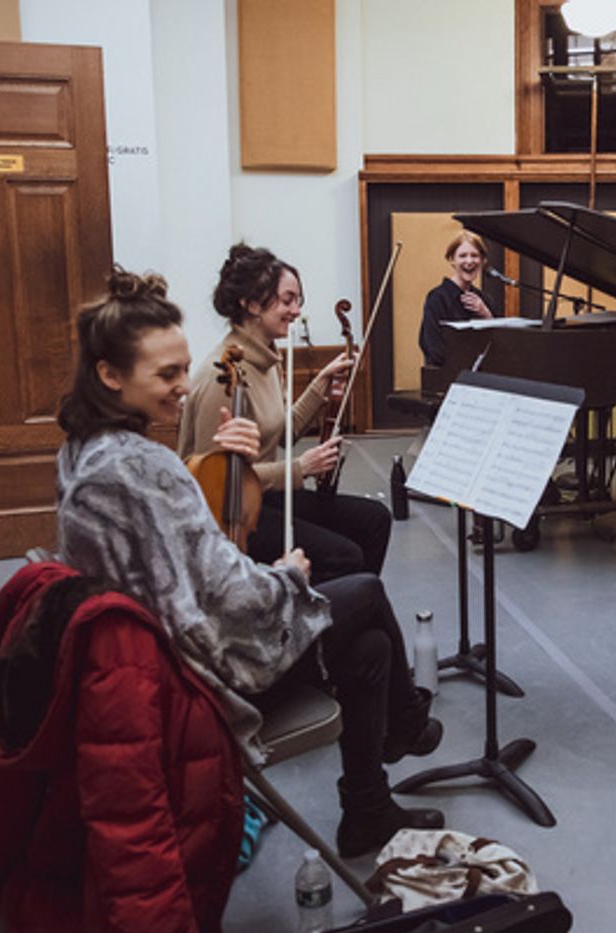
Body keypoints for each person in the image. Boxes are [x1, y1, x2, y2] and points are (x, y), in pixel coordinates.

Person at [55, 268, 443, 860]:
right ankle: (405, 728)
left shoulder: (84, 456)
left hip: (159, 657)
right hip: (196, 675)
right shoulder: (143, 471)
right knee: (361, 588)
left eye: (184, 368)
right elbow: (232, 598)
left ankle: (369, 806)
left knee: (370, 649)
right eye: (167, 374)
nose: (185, 386)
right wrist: (287, 574)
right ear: (109, 375)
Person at [0, 562, 243, 932]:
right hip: (83, 910)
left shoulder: (46, 591)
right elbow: (132, 831)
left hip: (45, 885)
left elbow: (1, 794)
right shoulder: (119, 648)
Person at [179, 243, 391, 584]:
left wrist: (321, 384)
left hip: (269, 493)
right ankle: (325, 621)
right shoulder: (225, 374)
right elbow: (215, 484)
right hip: (236, 512)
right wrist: (300, 468)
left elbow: (283, 432)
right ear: (250, 304)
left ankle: (353, 616)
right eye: (287, 300)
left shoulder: (266, 357)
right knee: (343, 556)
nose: (296, 310)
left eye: (298, 300)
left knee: (375, 519)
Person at [419, 231, 494, 367]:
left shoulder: (485, 300)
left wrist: (487, 316)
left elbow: (498, 346)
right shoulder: (437, 298)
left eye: (475, 255)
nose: (469, 261)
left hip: (481, 381)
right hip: (447, 379)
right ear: (451, 259)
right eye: (462, 256)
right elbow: (432, 347)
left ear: (483, 260)